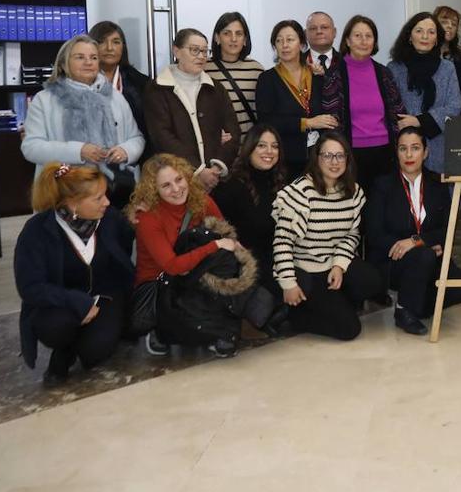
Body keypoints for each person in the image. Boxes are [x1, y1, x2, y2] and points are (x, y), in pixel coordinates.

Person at [131, 153, 276, 358]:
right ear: (154, 189)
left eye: (179, 179)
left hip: (197, 273)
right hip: (162, 283)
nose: (176, 189)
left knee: (239, 276)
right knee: (217, 257)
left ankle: (221, 327)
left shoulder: (201, 200)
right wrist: (214, 246)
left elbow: (227, 235)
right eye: (166, 185)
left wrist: (237, 257)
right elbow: (172, 266)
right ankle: (168, 329)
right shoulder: (148, 217)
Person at [14, 163, 134, 386]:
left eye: (105, 195)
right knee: (55, 328)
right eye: (98, 198)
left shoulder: (110, 219)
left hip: (105, 296)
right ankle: (63, 352)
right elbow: (30, 287)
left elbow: (124, 250)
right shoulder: (37, 231)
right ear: (73, 203)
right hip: (59, 301)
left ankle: (87, 342)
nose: (107, 202)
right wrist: (78, 302)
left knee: (95, 352)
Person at [272, 132, 384, 341]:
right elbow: (282, 243)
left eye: (340, 156)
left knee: (372, 281)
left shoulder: (353, 192)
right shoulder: (300, 193)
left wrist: (338, 265)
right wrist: (288, 283)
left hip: (330, 264)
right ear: (317, 158)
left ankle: (334, 300)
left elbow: (351, 235)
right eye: (328, 156)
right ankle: (296, 315)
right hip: (305, 270)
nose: (334, 162)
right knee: (349, 330)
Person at [365, 127, 461, 335]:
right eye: (403, 149)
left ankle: (416, 305)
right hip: (393, 260)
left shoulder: (437, 184)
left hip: (428, 255)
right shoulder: (383, 185)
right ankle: (404, 311)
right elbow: (375, 232)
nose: (409, 155)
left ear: (426, 152)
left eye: (415, 148)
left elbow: (447, 228)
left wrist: (417, 240)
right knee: (423, 254)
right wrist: (412, 247)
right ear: (396, 152)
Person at [21, 34, 145, 189]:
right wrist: (78, 151)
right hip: (63, 188)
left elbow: (136, 138)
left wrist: (125, 151)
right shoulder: (44, 100)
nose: (88, 62)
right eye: (80, 57)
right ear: (63, 63)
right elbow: (31, 147)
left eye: (93, 58)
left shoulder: (115, 97)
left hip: (115, 189)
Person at [144, 28, 239, 192]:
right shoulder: (157, 88)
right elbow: (162, 136)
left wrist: (216, 168)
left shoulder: (216, 88)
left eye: (204, 51)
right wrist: (198, 170)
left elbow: (233, 131)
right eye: (195, 50)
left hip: (216, 180)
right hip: (176, 181)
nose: (201, 56)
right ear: (177, 51)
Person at [210, 123, 289, 303]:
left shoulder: (281, 181)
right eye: (261, 145)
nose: (269, 151)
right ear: (249, 148)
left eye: (274, 146)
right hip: (247, 263)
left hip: (280, 257)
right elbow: (217, 233)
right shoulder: (230, 187)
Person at [329, 15, 407, 187]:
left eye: (368, 36)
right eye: (357, 36)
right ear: (347, 41)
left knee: (382, 208)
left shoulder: (384, 73)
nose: (363, 41)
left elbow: (398, 110)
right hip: (349, 153)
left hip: (385, 152)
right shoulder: (335, 74)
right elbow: (330, 116)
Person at [256, 19, 337, 178]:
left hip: (319, 156)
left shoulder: (316, 74)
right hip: (285, 157)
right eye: (279, 41)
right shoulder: (267, 79)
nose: (284, 45)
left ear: (302, 45)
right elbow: (266, 120)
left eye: (290, 40)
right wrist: (306, 123)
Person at [387, 12, 461, 174]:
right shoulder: (395, 68)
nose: (425, 36)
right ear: (409, 36)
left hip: (439, 146)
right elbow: (388, 106)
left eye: (431, 32)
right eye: (419, 31)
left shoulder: (447, 68)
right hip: (404, 145)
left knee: (438, 196)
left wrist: (420, 121)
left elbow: (455, 105)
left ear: (437, 38)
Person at [89, 20, 150, 149]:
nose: (109, 48)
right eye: (102, 42)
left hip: (131, 157)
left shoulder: (141, 83)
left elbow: (147, 131)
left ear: (123, 47)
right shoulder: (79, 83)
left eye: (116, 42)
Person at [204, 11, 263, 139]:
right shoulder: (204, 69)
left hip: (250, 147)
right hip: (219, 146)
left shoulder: (256, 69)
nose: (233, 39)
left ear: (245, 39)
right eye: (227, 33)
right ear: (217, 38)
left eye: (239, 33)